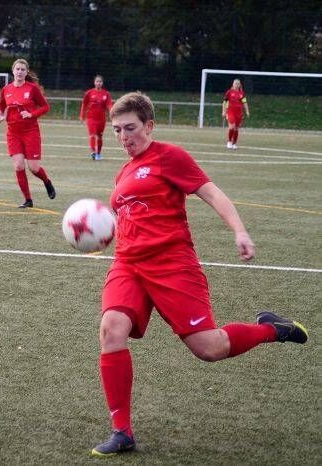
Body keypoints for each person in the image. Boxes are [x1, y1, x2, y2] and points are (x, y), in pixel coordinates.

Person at [91, 92, 308, 457]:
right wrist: (99, 227)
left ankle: (273, 329)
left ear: (149, 126)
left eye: (130, 128)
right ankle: (122, 432)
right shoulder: (124, 170)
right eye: (116, 130)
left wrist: (239, 231)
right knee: (111, 329)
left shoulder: (169, 157)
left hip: (172, 263)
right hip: (128, 264)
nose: (123, 137)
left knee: (209, 348)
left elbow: (213, 194)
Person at [0, 58, 55, 208]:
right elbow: (1, 106)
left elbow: (45, 107)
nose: (20, 72)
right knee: (18, 166)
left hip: (30, 132)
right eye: (17, 69)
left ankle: (47, 182)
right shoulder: (6, 89)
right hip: (13, 133)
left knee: (34, 168)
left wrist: (31, 114)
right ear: (13, 71)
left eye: (23, 69)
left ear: (26, 72)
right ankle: (28, 200)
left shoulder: (32, 88)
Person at [79, 74, 113, 160]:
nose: (98, 83)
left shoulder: (106, 94)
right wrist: (82, 116)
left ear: (102, 83)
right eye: (97, 81)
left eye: (100, 81)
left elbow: (109, 105)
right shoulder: (89, 93)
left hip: (101, 119)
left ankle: (98, 153)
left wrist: (112, 112)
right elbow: (84, 104)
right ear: (94, 82)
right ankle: (93, 152)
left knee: (99, 137)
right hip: (91, 118)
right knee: (92, 135)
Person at [222, 78, 250, 150]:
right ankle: (229, 141)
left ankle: (234, 143)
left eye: (238, 84)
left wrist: (247, 111)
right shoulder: (229, 92)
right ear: (233, 84)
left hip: (239, 113)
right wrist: (224, 111)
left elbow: (244, 102)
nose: (237, 85)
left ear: (240, 85)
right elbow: (225, 102)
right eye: (235, 83)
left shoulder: (242, 94)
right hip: (231, 112)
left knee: (236, 128)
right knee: (232, 126)